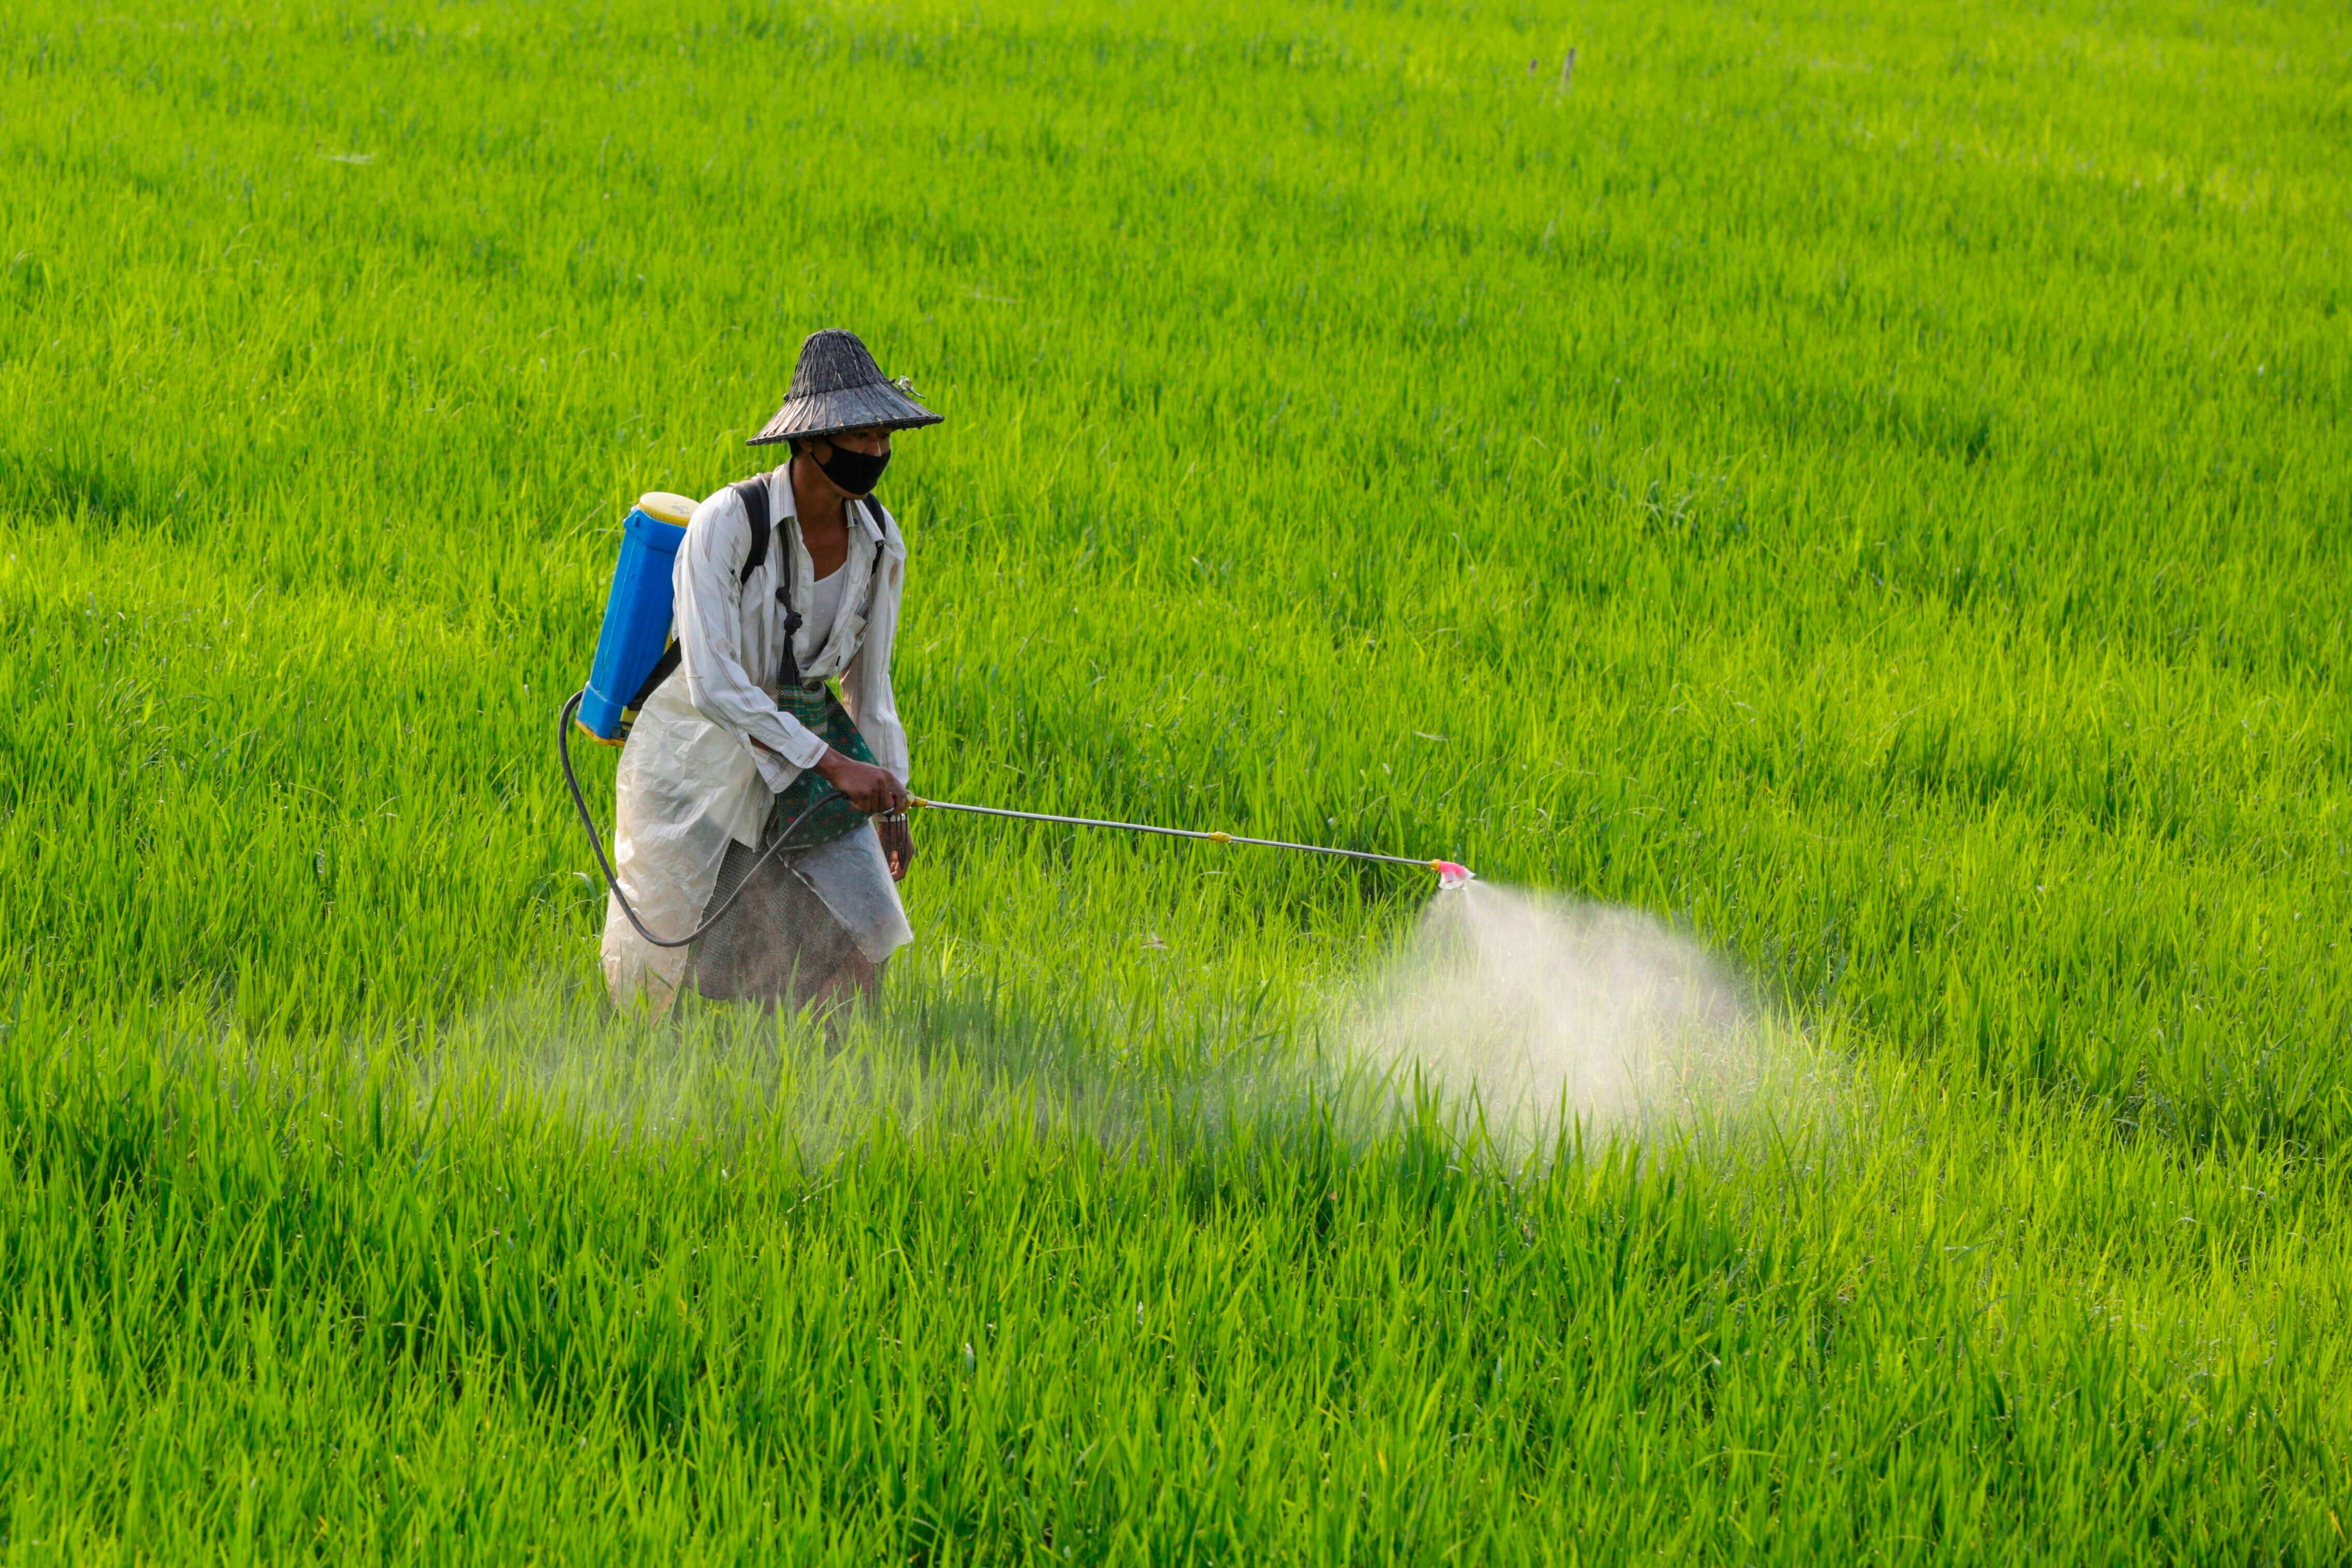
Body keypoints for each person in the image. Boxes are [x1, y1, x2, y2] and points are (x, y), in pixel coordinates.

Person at [601, 329, 939, 1014]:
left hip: (807, 739)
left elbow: (870, 688)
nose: (878, 452)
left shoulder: (880, 539)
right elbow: (714, 684)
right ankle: (673, 1064)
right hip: (696, 749)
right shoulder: (728, 523)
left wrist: (891, 786)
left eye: (886, 436)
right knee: (665, 957)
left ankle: (846, 1091)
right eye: (863, 435)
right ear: (812, 441)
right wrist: (835, 765)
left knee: (862, 932)